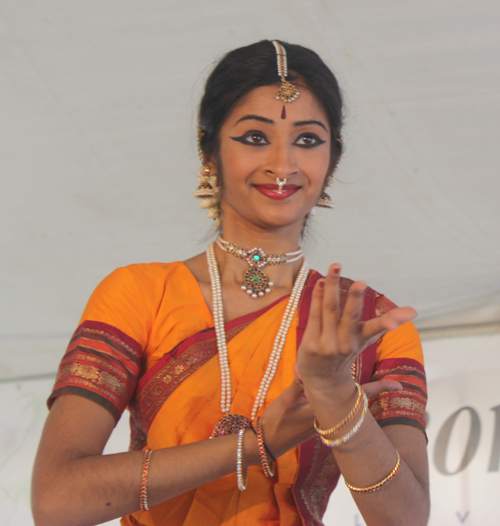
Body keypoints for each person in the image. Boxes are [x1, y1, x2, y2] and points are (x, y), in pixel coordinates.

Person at [31, 40, 429, 526]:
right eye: (255, 137)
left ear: (333, 160)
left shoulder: (366, 326)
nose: (281, 166)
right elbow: (56, 502)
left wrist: (334, 394)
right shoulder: (140, 295)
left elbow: (406, 520)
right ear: (209, 149)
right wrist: (256, 444)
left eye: (307, 140)